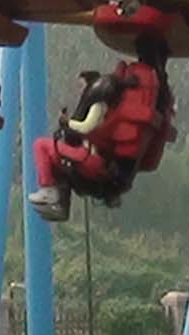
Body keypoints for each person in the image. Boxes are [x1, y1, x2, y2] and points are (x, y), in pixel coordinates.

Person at [27, 60, 155, 223]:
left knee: (41, 146)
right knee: (55, 159)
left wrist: (67, 124)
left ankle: (49, 190)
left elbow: (87, 127)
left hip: (90, 158)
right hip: (93, 158)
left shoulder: (99, 104)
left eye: (81, 86)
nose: (80, 91)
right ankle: (61, 200)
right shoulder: (109, 105)